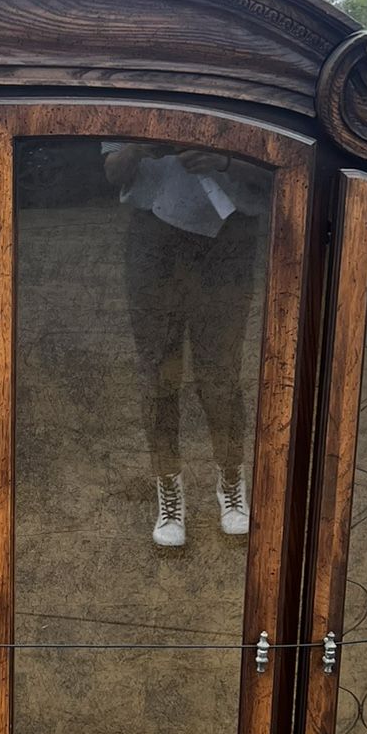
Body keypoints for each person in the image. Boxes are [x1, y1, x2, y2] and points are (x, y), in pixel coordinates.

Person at [103, 141, 268, 549]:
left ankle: (230, 482)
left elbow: (282, 167)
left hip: (230, 240)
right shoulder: (136, 79)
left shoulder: (249, 76)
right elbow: (112, 171)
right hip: (154, 240)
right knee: (158, 372)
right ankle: (169, 490)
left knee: (220, 373)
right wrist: (142, 145)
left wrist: (226, 158)